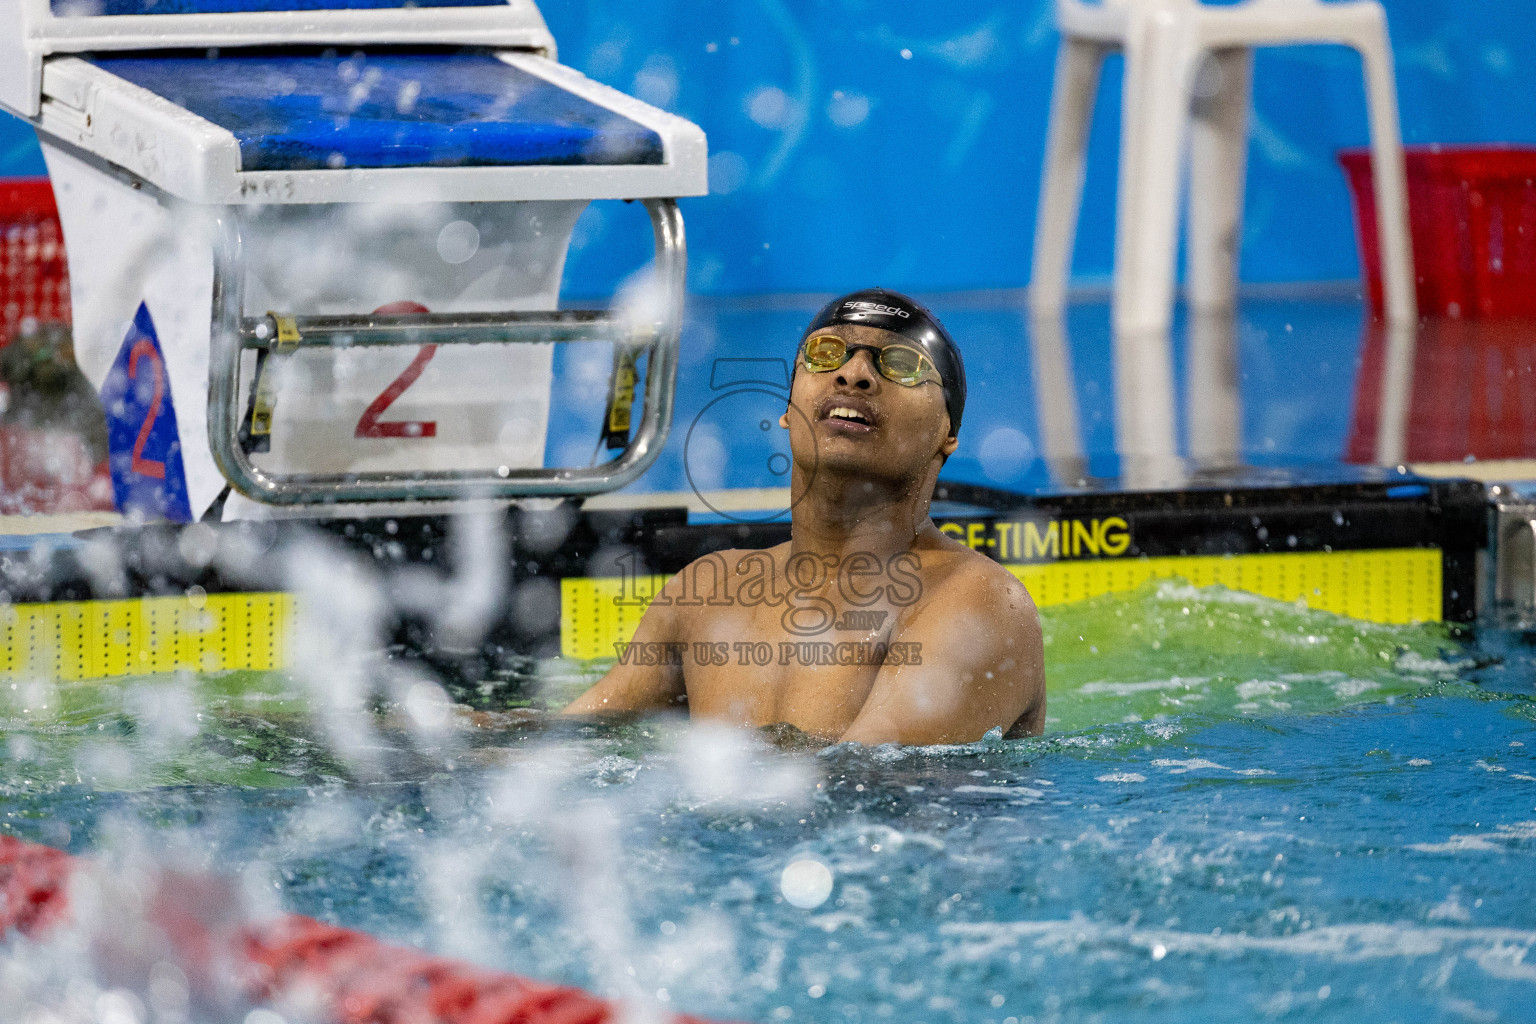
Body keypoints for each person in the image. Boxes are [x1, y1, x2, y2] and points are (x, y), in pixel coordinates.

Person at [562, 288, 1045, 744]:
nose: (853, 373)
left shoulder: (978, 600)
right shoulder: (710, 590)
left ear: (948, 432)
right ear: (789, 407)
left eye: (901, 364)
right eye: (826, 354)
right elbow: (568, 739)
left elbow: (872, 781)